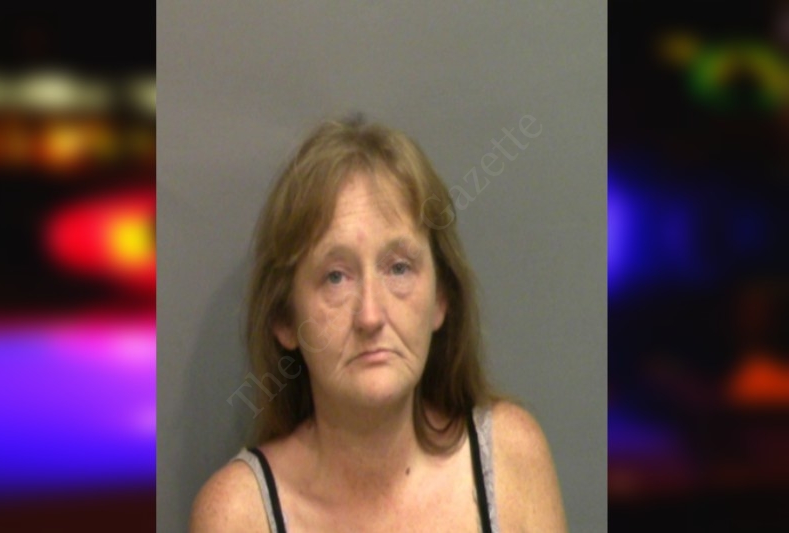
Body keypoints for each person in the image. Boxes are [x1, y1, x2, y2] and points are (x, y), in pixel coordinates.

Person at [190, 116, 567, 532]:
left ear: (441, 299)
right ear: (284, 319)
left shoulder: (512, 459)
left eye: (399, 268)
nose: (370, 316)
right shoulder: (238, 514)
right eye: (336, 277)